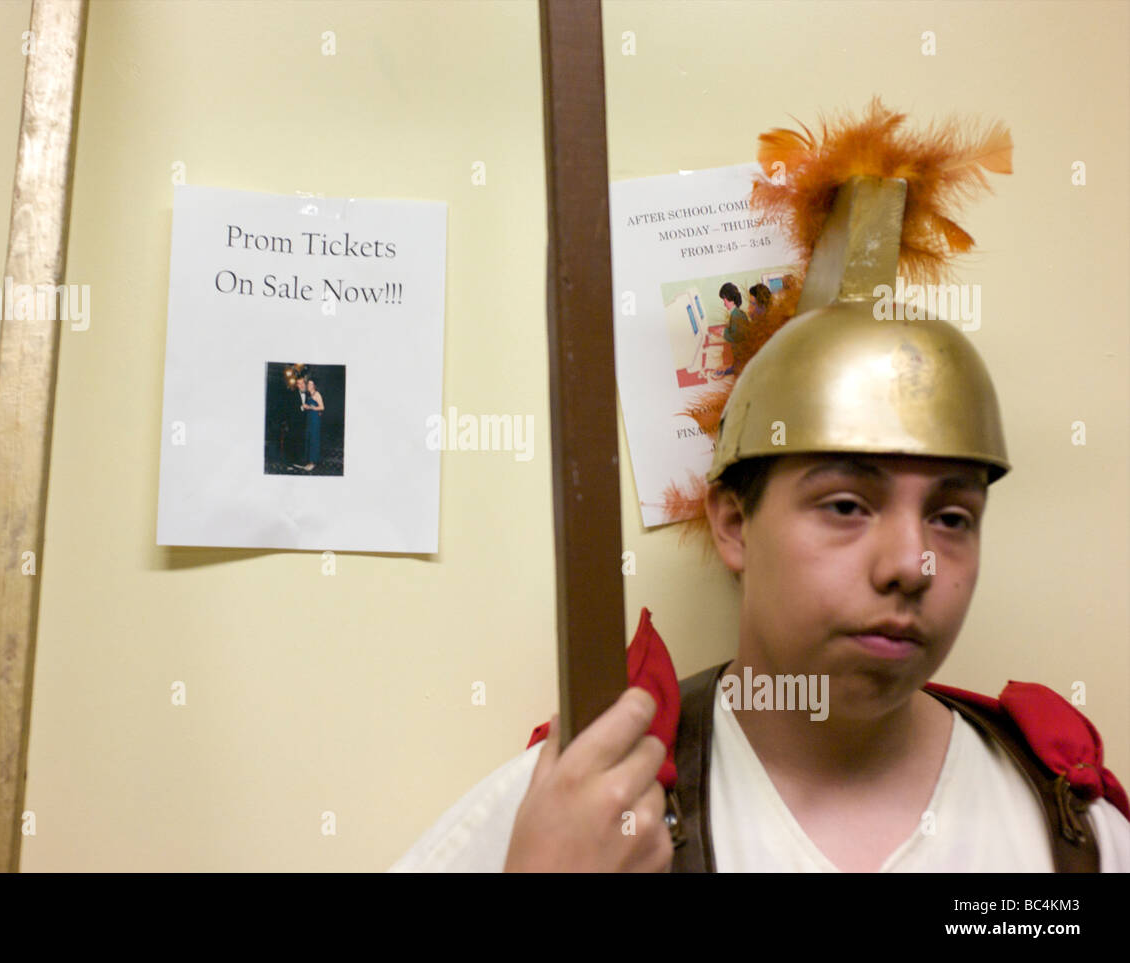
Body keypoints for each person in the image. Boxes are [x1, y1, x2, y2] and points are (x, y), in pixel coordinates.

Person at [389, 177, 1130, 873]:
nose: (912, 562)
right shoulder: (584, 811)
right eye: (846, 505)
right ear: (734, 523)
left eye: (951, 515)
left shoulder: (1070, 826)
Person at [302, 377, 324, 471]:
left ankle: (313, 462)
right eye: (308, 384)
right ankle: (309, 461)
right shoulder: (309, 395)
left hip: (315, 419)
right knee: (309, 438)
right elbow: (309, 407)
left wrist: (312, 407)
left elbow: (322, 407)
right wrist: (306, 407)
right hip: (309, 418)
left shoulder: (317, 394)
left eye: (311, 384)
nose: (309, 386)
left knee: (314, 439)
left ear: (314, 386)